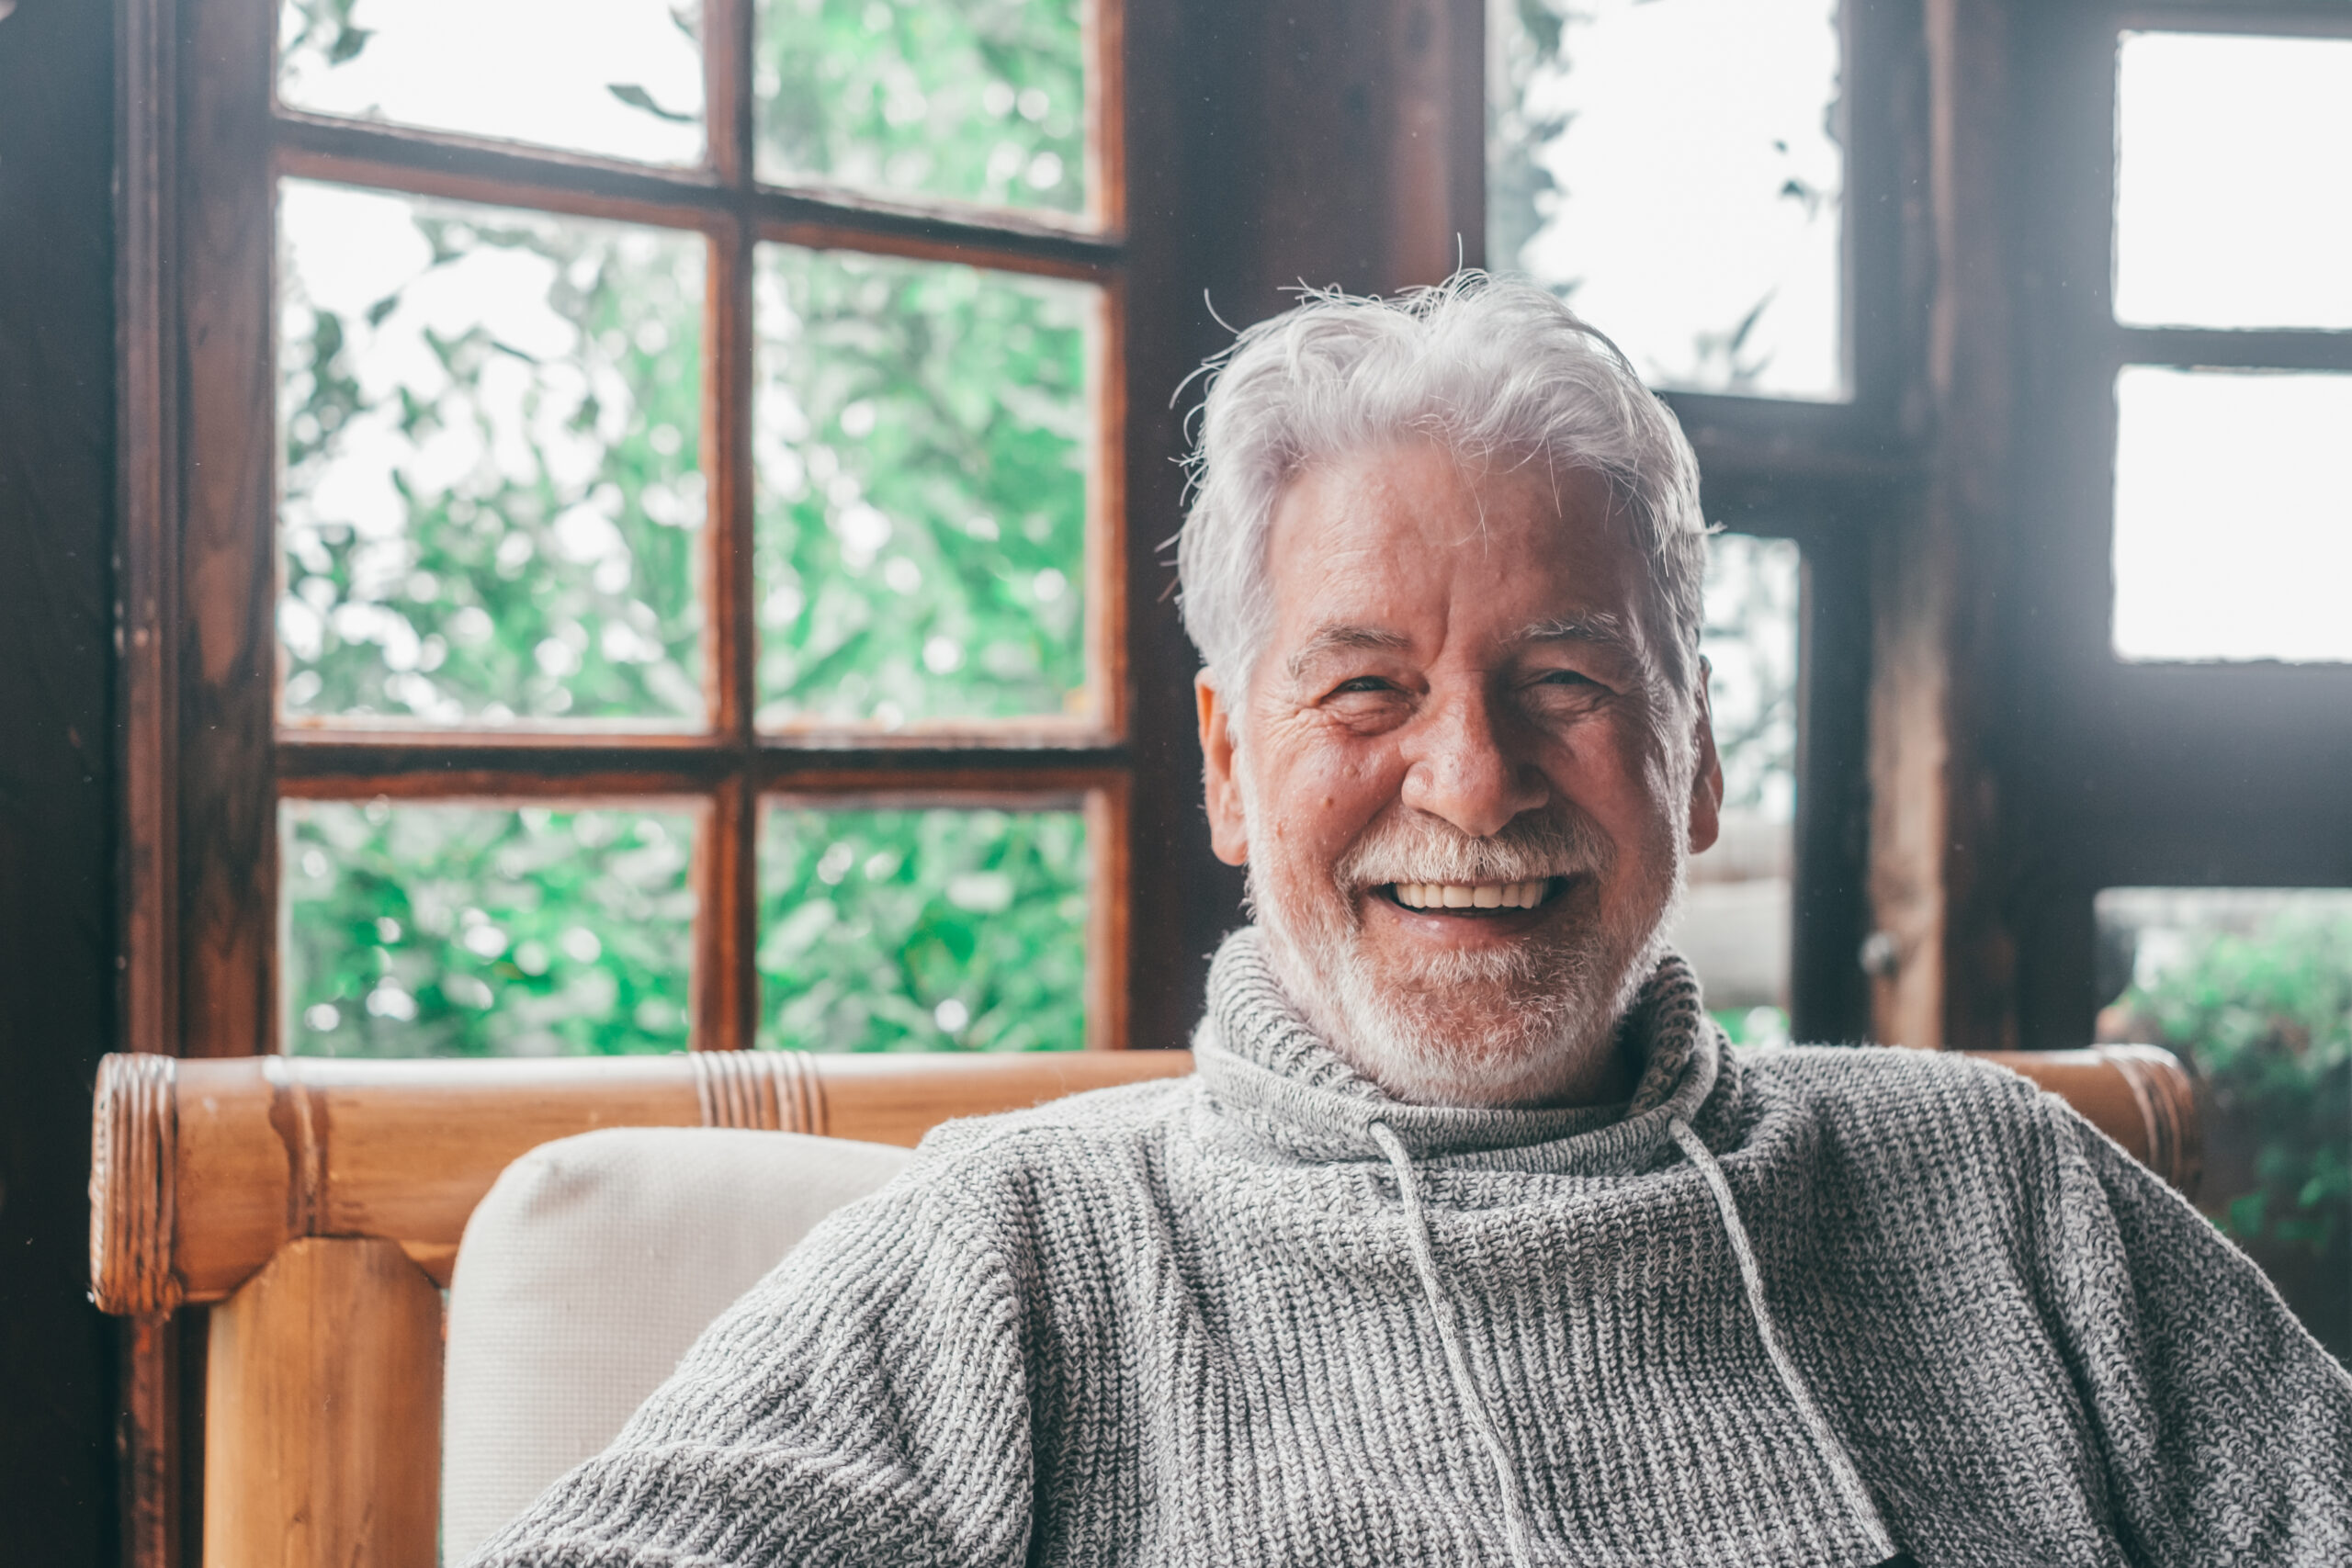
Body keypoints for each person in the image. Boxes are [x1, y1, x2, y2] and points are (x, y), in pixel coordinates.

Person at [469, 276, 2352, 1567]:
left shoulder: (2007, 1189)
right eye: (1362, 689)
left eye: (1563, 680)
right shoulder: (1017, 1254)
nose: (1467, 779)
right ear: (1227, 762)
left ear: (1692, 753)